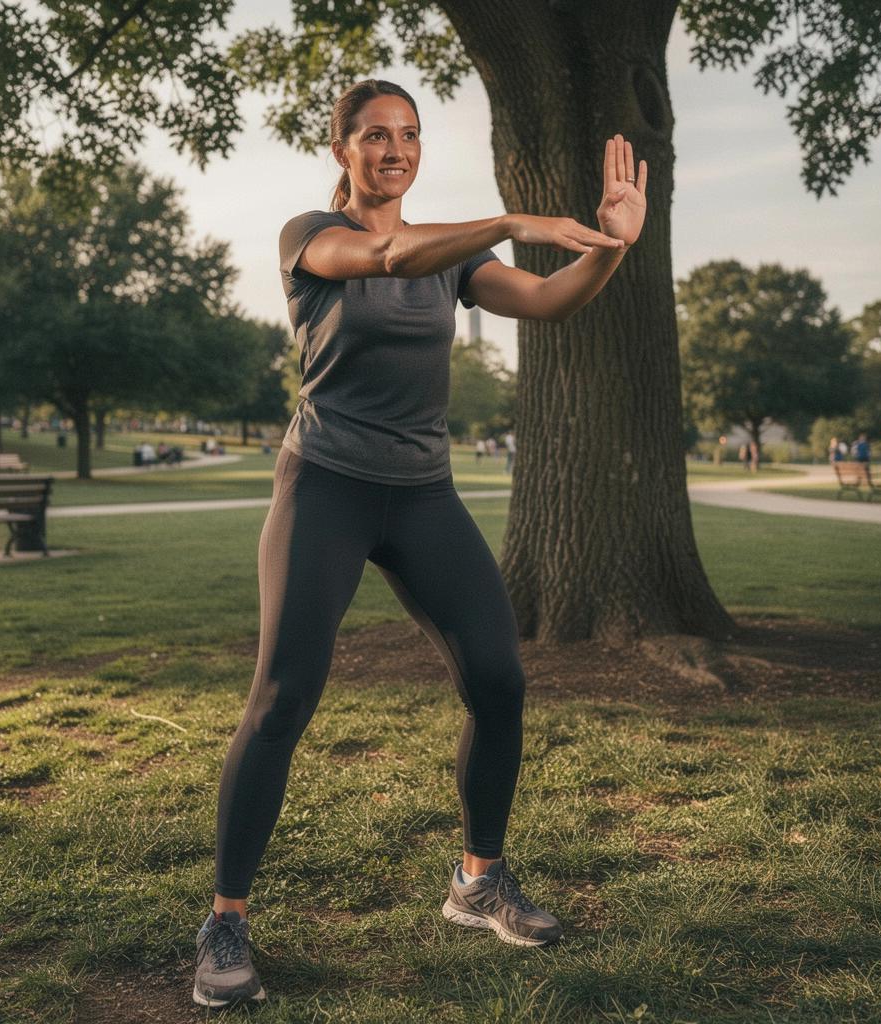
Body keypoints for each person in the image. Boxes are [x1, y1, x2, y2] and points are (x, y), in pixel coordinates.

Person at [192, 78, 648, 1009]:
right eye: (374, 135)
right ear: (342, 150)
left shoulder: (455, 260)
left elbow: (552, 301)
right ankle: (226, 918)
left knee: (499, 676)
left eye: (408, 134)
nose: (394, 148)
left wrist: (613, 248)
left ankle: (478, 880)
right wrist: (515, 215)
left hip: (423, 492)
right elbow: (390, 252)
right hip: (325, 484)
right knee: (282, 697)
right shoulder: (309, 235)